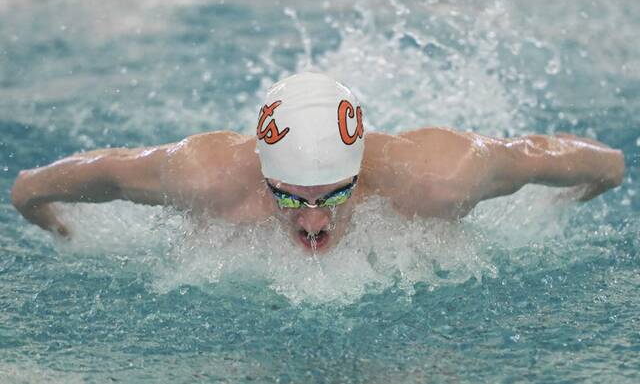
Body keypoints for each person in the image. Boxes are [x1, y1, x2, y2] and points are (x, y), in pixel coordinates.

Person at [11, 72, 625, 253]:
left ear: (362, 172)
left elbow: (551, 156)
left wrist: (591, 184)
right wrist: (36, 203)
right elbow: (108, 171)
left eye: (334, 195)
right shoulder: (207, 175)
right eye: (288, 197)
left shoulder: (438, 178)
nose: (312, 225)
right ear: (261, 173)